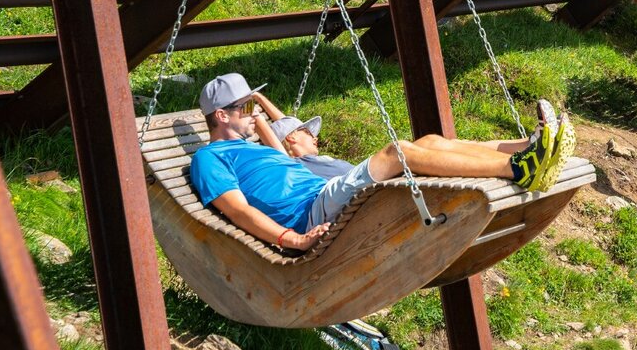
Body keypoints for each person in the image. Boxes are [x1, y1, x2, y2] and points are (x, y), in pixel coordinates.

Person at [189, 73, 574, 252]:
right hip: (312, 211)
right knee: (397, 152)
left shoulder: (254, 148)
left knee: (430, 142)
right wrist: (292, 239)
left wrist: (256, 111)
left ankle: (528, 146)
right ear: (221, 116)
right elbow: (238, 210)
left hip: (322, 194)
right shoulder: (210, 159)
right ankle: (520, 168)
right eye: (244, 107)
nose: (253, 112)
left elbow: (281, 136)